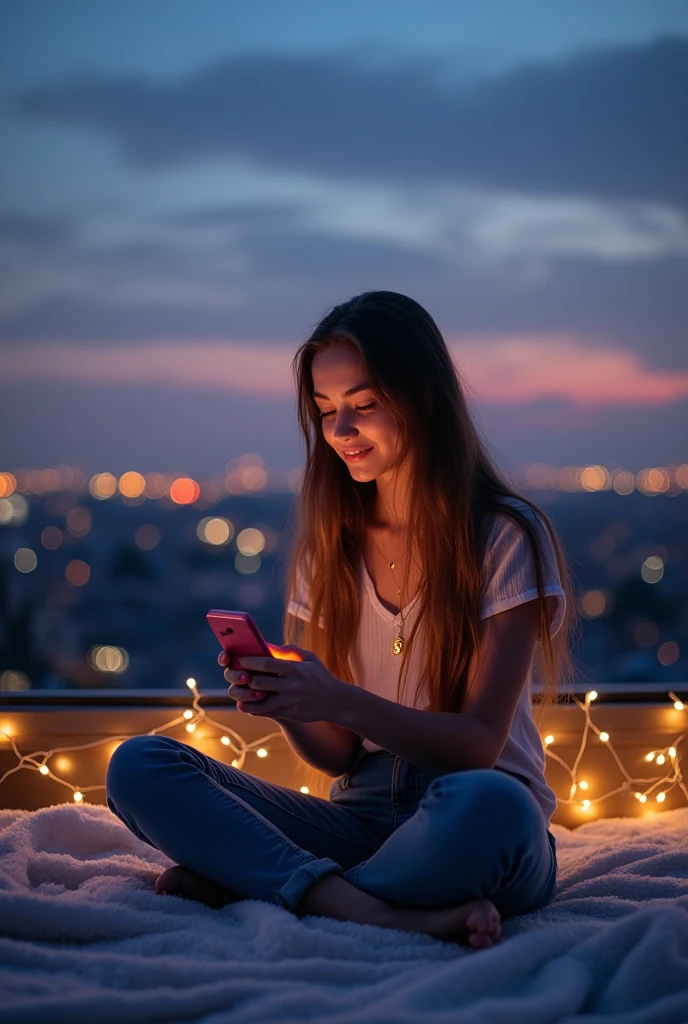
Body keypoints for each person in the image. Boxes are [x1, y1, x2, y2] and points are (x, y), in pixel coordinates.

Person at [106, 290, 576, 950]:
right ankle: (369, 906)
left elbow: (477, 747)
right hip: (357, 816)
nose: (340, 432)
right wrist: (293, 705)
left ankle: (279, 884)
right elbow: (336, 753)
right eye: (326, 412)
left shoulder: (503, 536)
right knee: (139, 767)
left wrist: (340, 698)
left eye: (363, 405)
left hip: (471, 808)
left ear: (423, 398)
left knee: (491, 809)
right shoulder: (332, 547)